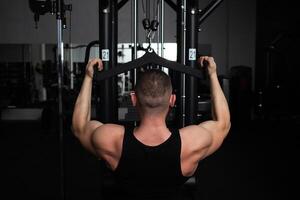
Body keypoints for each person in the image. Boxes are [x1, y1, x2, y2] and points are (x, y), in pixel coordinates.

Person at [72, 56, 231, 200]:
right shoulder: (191, 142)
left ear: (133, 99)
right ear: (172, 100)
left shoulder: (112, 139)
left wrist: (88, 77)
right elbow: (223, 124)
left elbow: (79, 127)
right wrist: (212, 75)